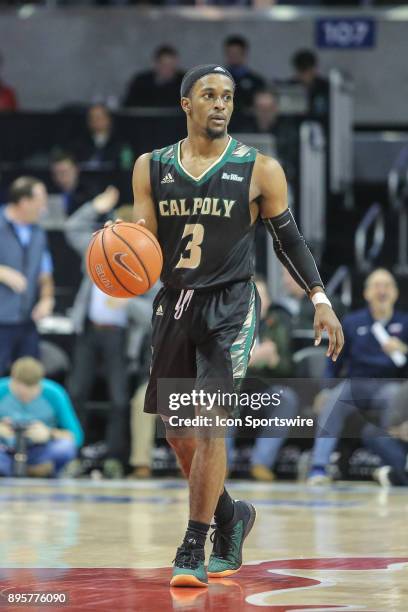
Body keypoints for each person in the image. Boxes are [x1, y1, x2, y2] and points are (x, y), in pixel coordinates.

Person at [117, 63, 342, 587]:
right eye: (209, 95)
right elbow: (143, 240)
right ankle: (230, 516)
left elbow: (289, 241)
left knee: (209, 422)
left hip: (231, 307)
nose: (221, 104)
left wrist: (320, 298)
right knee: (178, 435)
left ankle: (194, 545)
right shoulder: (151, 167)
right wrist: (121, 242)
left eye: (228, 96)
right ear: (186, 105)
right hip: (175, 303)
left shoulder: (260, 168)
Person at [65, 193, 154, 475]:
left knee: (119, 398)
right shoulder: (99, 247)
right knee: (76, 392)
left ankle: (115, 458)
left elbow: (154, 309)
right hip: (89, 330)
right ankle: (73, 454)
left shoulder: (146, 259)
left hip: (121, 336)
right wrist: (94, 205)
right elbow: (72, 229)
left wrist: (127, 301)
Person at [308, 268, 408, 485]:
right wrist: (325, 389)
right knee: (333, 400)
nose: (382, 291)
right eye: (376, 286)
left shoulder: (405, 322)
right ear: (366, 293)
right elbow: (333, 360)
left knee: (395, 399)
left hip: (390, 385)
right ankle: (319, 467)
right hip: (355, 384)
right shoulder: (352, 322)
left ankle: (390, 462)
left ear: (396, 293)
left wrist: (404, 349)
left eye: (387, 286)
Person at [226, 276, 298, 482]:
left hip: (265, 392)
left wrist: (275, 361)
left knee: (287, 397)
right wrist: (251, 359)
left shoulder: (278, 325)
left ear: (268, 301)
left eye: (261, 296)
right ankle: (221, 464)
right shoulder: (228, 326)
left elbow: (288, 368)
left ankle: (261, 463)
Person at [0, 177, 54, 375]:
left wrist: (47, 298)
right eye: (41, 202)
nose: (44, 208)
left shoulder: (39, 232)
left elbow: (45, 272)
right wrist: (2, 272)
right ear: (24, 202)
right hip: (1, 320)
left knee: (30, 376)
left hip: (26, 320)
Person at [0, 357, 83, 477]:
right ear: (12, 381)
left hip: (40, 450)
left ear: (40, 383)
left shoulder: (54, 393)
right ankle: (30, 471)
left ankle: (33, 469)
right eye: (19, 393)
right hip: (5, 450)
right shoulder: (1, 390)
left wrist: (49, 433)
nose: (25, 397)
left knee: (65, 448)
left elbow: (76, 437)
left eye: (31, 393)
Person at [365, 380, 408, 487]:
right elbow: (391, 427)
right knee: (371, 432)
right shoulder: (404, 390)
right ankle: (395, 474)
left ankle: (391, 475)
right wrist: (402, 430)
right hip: (400, 443)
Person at [73, 103, 131, 170]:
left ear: (108, 119)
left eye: (98, 117)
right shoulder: (78, 144)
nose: (95, 121)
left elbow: (126, 167)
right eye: (91, 118)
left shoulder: (122, 145)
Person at [50, 151, 98, 216]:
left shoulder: (90, 192)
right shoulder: (49, 193)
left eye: (65, 171)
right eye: (57, 173)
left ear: (76, 170)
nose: (61, 176)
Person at [223, 36, 266, 110]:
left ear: (244, 54)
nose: (233, 57)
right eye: (230, 53)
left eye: (236, 53)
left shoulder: (256, 81)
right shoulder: (219, 79)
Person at [291, 49, 329, 119]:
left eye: (307, 71)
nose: (305, 76)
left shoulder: (326, 88)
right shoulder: (290, 88)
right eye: (302, 71)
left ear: (314, 69)